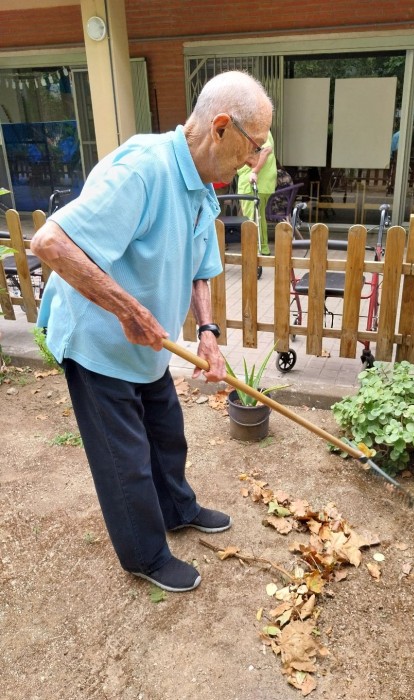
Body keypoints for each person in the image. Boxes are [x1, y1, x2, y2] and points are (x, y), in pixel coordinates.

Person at [30, 71, 273, 593]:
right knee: (127, 462)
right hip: (98, 341)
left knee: (167, 435)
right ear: (221, 128)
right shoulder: (143, 170)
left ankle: (178, 510)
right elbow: (50, 243)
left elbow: (200, 267)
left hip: (147, 345)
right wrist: (127, 311)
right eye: (254, 145)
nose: (255, 160)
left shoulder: (202, 186)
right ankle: (145, 555)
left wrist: (208, 332)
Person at [236, 130, 277, 255]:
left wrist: (254, 171)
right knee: (258, 217)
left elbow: (265, 150)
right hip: (260, 182)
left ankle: (253, 251)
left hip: (253, 182)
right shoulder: (261, 129)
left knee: (251, 219)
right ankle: (262, 249)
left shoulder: (258, 129)